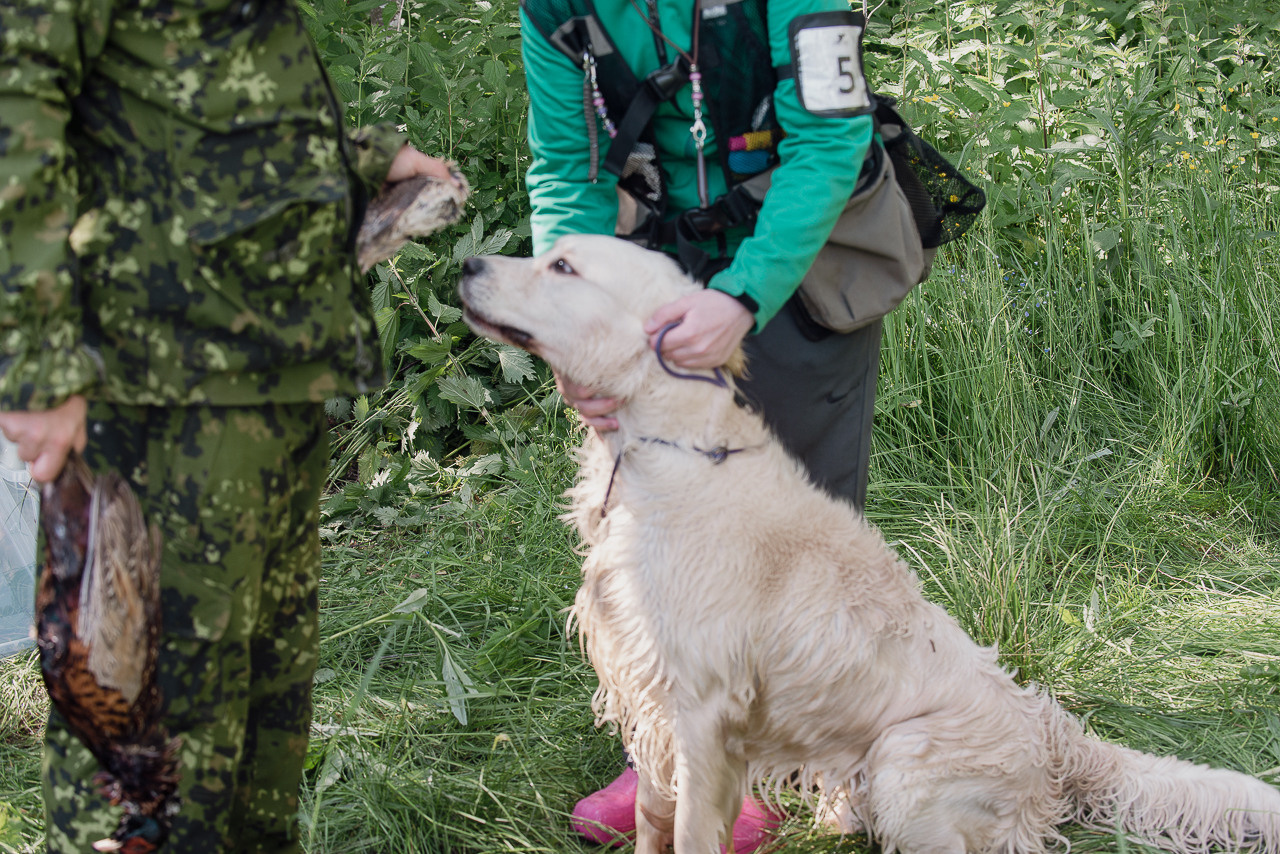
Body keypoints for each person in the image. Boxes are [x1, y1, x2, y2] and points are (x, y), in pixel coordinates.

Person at [0, 0, 457, 850]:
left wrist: (357, 160)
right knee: (148, 772)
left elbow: (192, 88)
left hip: (264, 382)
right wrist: (34, 362)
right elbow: (16, 96)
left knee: (258, 756)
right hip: (155, 393)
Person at [519, 0, 883, 849]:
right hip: (650, 255)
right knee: (649, 516)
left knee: (792, 522)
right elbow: (565, 167)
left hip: (798, 246)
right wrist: (569, 333)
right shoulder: (555, 11)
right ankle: (664, 752)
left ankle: (771, 760)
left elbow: (831, 144)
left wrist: (744, 293)